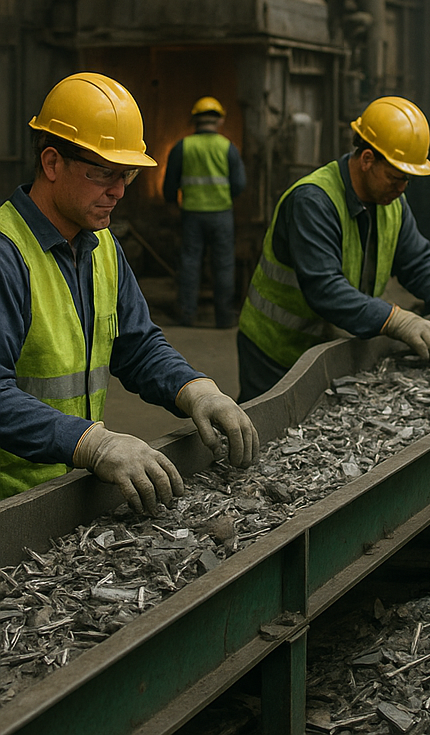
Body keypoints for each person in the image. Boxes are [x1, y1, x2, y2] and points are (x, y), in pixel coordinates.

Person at [0, 73, 259, 514]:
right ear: (51, 163)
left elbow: (136, 346)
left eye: (128, 176)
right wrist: (92, 443)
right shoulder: (8, 255)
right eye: (103, 174)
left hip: (64, 493)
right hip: (9, 503)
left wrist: (197, 389)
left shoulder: (101, 246)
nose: (118, 192)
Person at [237, 96, 430, 401]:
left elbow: (416, 261)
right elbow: (325, 288)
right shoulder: (313, 201)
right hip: (276, 352)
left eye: (407, 180)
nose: (402, 188)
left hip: (329, 349)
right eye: (395, 177)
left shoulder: (392, 201)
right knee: (268, 438)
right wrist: (397, 320)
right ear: (367, 160)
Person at [163, 97, 246, 329]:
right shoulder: (228, 147)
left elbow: (169, 186)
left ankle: (187, 315)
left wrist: (172, 202)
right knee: (223, 265)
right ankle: (224, 319)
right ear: (219, 120)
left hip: (192, 214)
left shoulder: (183, 147)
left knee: (190, 263)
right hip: (221, 215)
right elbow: (239, 184)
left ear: (194, 121)